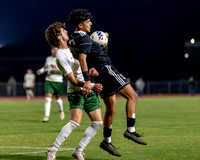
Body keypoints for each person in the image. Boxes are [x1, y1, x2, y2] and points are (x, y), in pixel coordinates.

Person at [68, 9, 147, 157]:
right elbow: (84, 59)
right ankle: (130, 131)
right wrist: (86, 80)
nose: (90, 23)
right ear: (80, 25)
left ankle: (107, 141)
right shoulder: (84, 39)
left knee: (111, 109)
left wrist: (102, 40)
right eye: (87, 22)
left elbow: (86, 55)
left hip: (100, 74)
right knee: (133, 96)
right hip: (106, 69)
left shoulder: (75, 38)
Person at [45, 22, 103, 160]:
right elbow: (73, 80)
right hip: (76, 91)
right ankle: (52, 150)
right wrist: (92, 85)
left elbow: (80, 67)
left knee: (97, 123)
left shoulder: (72, 48)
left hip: (88, 87)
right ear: (59, 37)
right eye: (62, 31)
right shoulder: (60, 56)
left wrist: (90, 72)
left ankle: (78, 150)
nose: (66, 32)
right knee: (75, 122)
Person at [36, 47, 65, 122]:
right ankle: (46, 116)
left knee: (57, 98)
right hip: (49, 80)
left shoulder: (61, 59)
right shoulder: (48, 58)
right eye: (53, 49)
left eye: (56, 50)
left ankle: (61, 111)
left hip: (58, 80)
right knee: (48, 98)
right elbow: (46, 68)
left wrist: (57, 68)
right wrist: (41, 71)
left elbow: (65, 70)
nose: (54, 51)